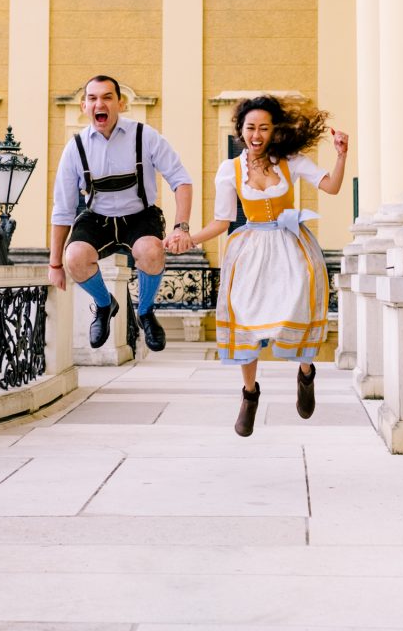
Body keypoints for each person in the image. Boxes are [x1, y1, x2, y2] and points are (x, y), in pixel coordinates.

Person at [167, 95, 348, 437]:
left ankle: (305, 373)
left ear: (274, 131)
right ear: (241, 130)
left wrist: (341, 155)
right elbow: (222, 222)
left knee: (298, 305)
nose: (257, 134)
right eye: (251, 127)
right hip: (251, 248)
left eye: (264, 127)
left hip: (291, 244)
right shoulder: (229, 170)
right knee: (246, 316)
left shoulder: (290, 161)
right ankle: (249, 395)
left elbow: (333, 187)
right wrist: (189, 238)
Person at [49, 75, 193, 351]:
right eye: (92, 98)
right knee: (75, 258)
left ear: (121, 104)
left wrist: (180, 227)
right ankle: (104, 306)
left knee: (151, 251)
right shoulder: (75, 148)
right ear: (83, 106)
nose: (99, 104)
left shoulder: (145, 136)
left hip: (140, 216)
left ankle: (146, 312)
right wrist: (55, 264)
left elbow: (181, 180)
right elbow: (63, 209)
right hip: (97, 218)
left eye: (106, 97)